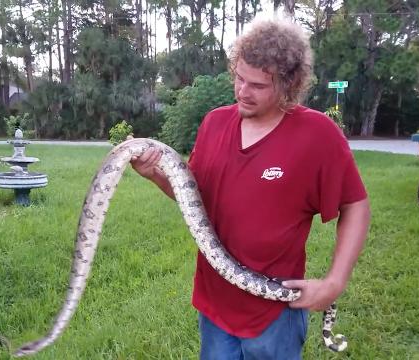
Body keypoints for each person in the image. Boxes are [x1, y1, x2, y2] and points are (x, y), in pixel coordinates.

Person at [130, 17, 370, 359]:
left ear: (289, 84)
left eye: (257, 85)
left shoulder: (318, 135)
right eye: (239, 78)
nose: (242, 91)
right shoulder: (214, 123)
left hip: (275, 315)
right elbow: (194, 198)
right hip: (215, 306)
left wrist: (334, 283)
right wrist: (154, 174)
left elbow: (356, 206)